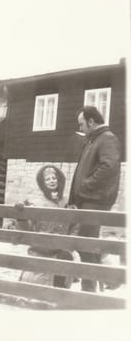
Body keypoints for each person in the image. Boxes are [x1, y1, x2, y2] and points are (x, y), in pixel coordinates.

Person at [67, 106, 121, 292]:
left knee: (84, 243)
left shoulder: (107, 139)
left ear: (91, 121)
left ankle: (92, 286)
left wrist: (85, 186)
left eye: (82, 124)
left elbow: (109, 167)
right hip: (86, 200)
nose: (80, 128)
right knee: (87, 243)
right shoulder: (92, 140)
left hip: (95, 200)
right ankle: (101, 282)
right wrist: (75, 196)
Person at [15, 165, 75, 289]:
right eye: (47, 179)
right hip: (41, 250)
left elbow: (75, 225)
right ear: (43, 183)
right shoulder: (36, 203)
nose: (52, 181)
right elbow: (27, 229)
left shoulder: (67, 202)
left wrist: (70, 243)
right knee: (35, 286)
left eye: (54, 178)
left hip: (61, 250)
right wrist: (21, 216)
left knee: (65, 259)